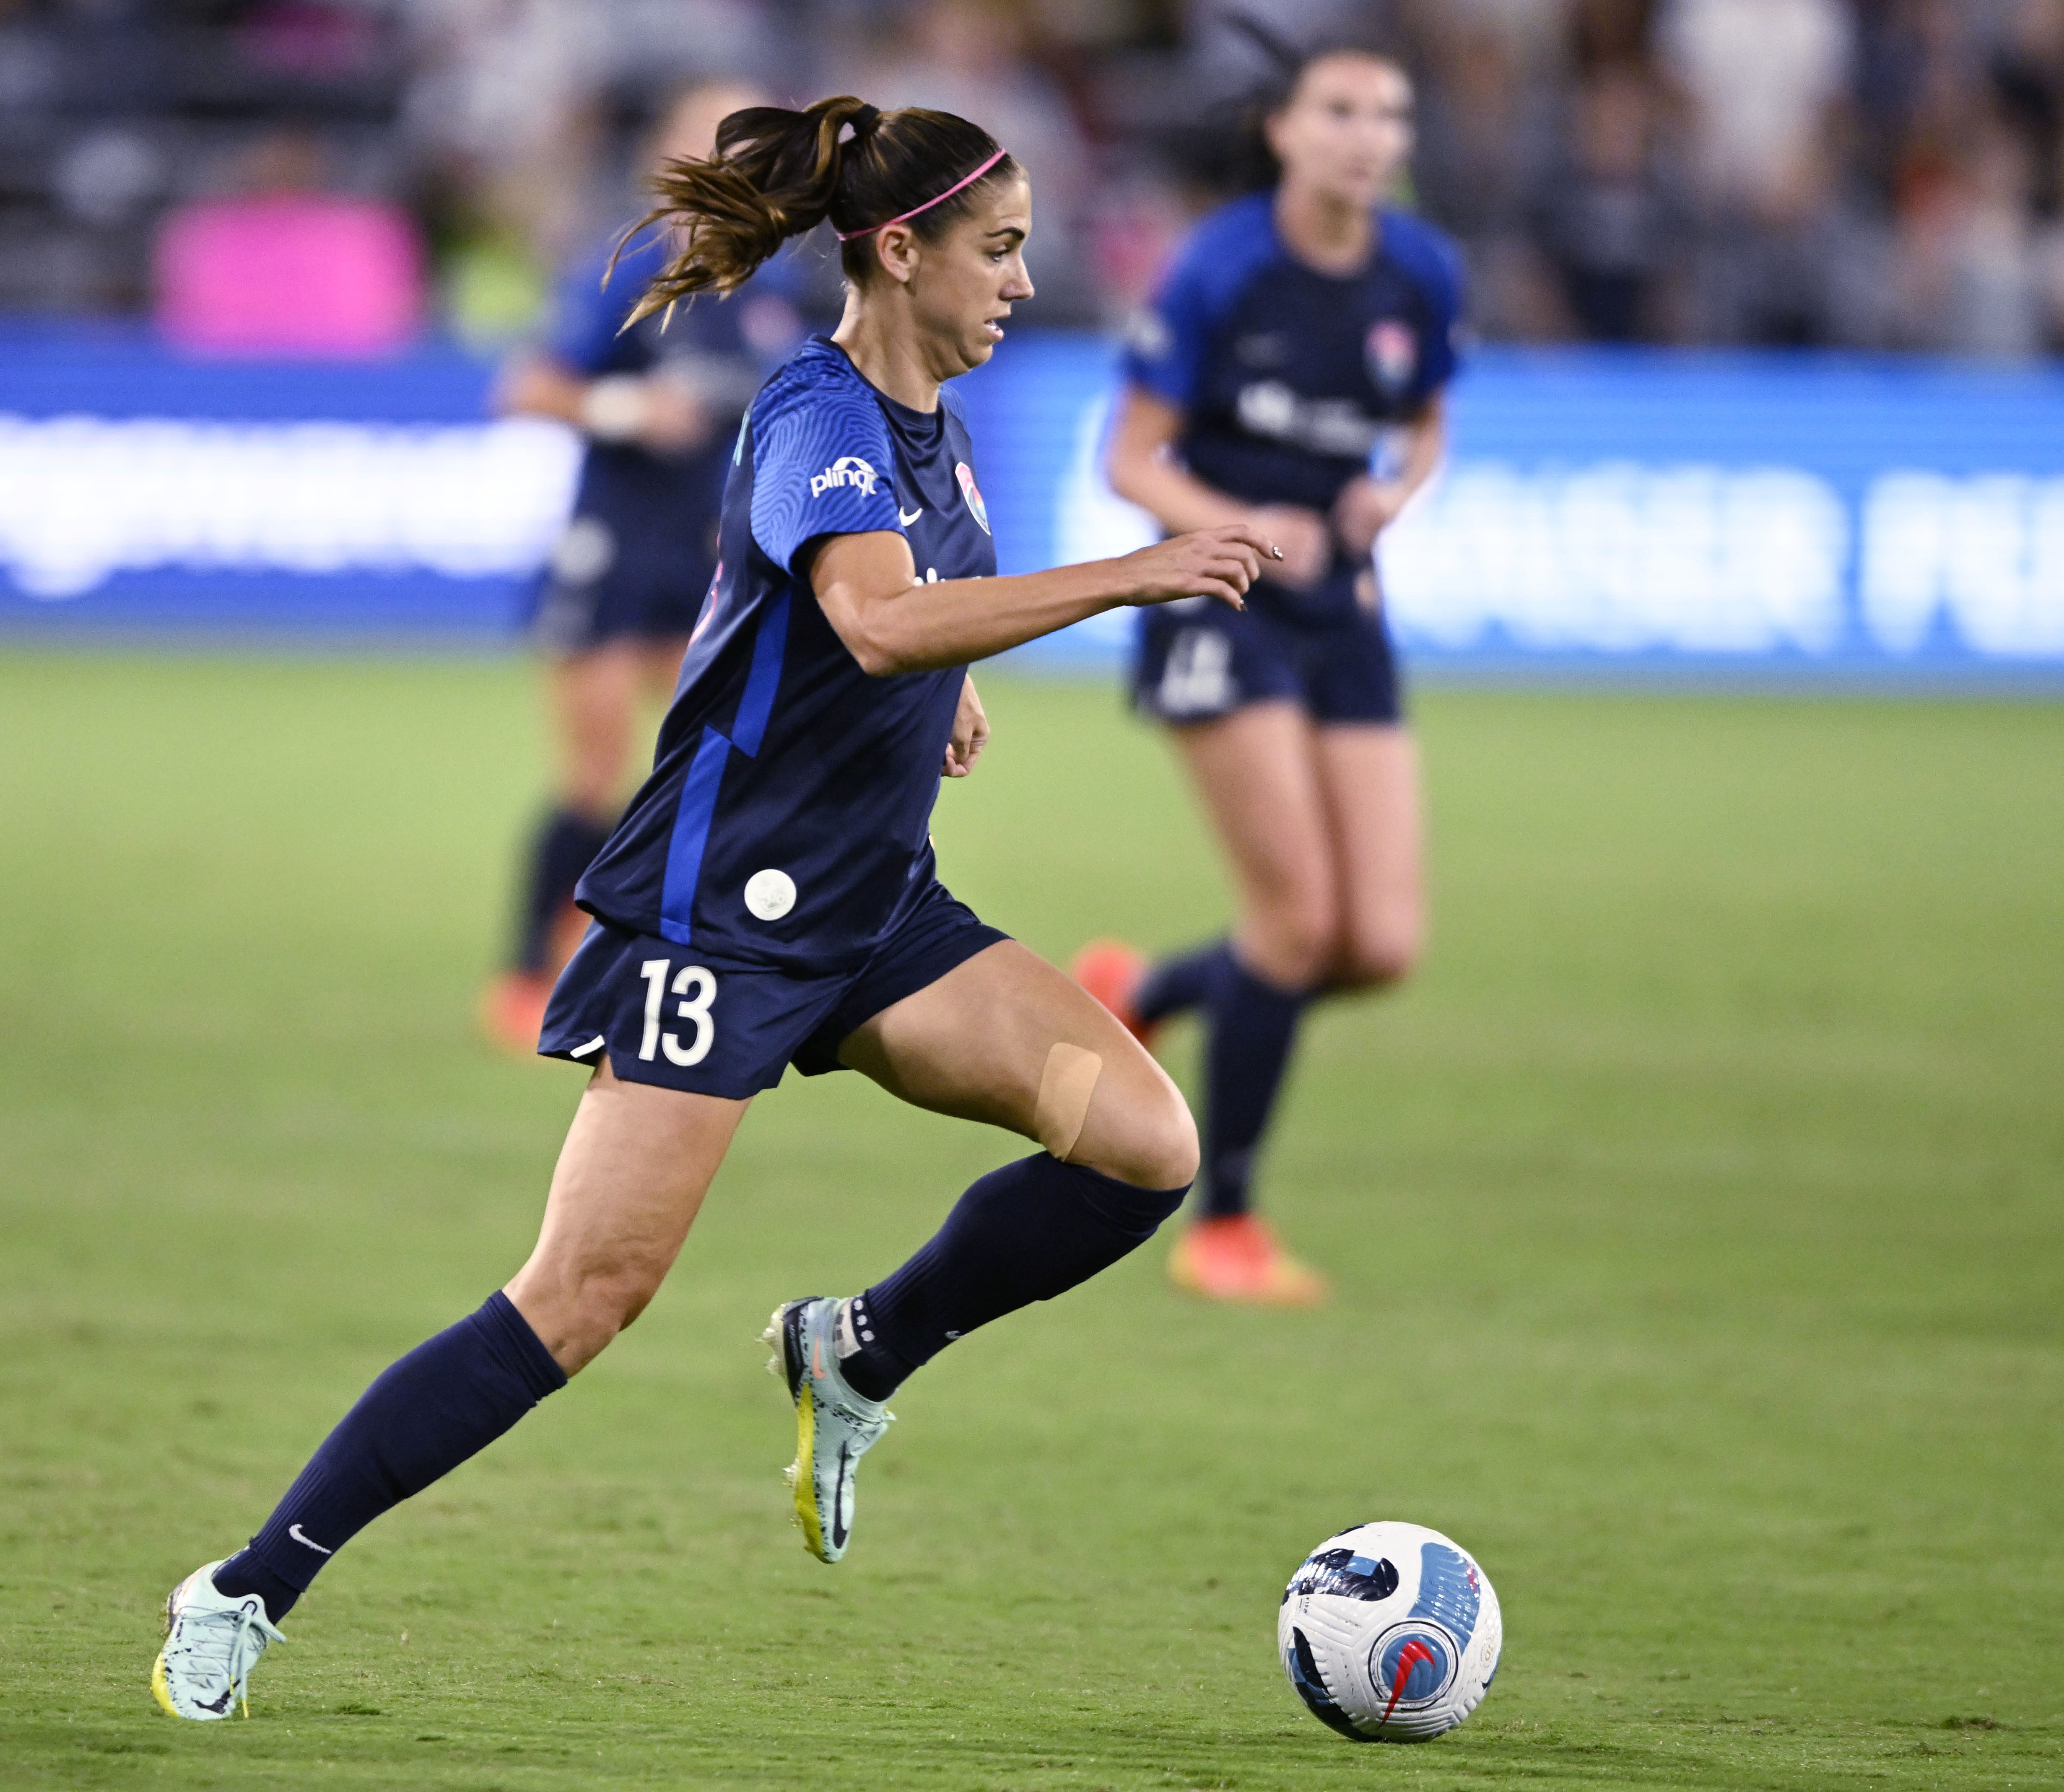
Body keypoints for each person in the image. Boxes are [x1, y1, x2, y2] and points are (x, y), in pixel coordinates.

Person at [152, 94, 1278, 1722]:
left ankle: (855, 1352)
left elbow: (848, 632)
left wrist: (937, 699)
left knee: (1144, 1146)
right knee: (580, 1298)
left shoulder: (937, 430)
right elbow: (879, 621)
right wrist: (1129, 570)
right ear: (899, 252)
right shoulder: (816, 409)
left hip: (878, 916)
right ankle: (251, 1583)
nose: (1026, 284)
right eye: (1001, 249)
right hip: (718, 928)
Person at [1075, 41, 1458, 1307]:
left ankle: (1151, 989)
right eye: (1340, 110)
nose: (1367, 135)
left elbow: (1427, 425)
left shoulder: (1422, 271)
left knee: (1380, 941)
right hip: (1220, 600)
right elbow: (1129, 456)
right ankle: (1222, 1220)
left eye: (1387, 113)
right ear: (1285, 131)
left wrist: (1390, 497)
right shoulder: (1222, 268)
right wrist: (1240, 527)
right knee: (1295, 924)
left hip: (1341, 606)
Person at [480, 80, 818, 1050]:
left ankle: (650, 953)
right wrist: (624, 411)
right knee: (593, 768)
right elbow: (527, 388)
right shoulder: (629, 270)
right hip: (615, 544)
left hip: (709, 557)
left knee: (706, 768)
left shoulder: (770, 294)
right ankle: (520, 970)